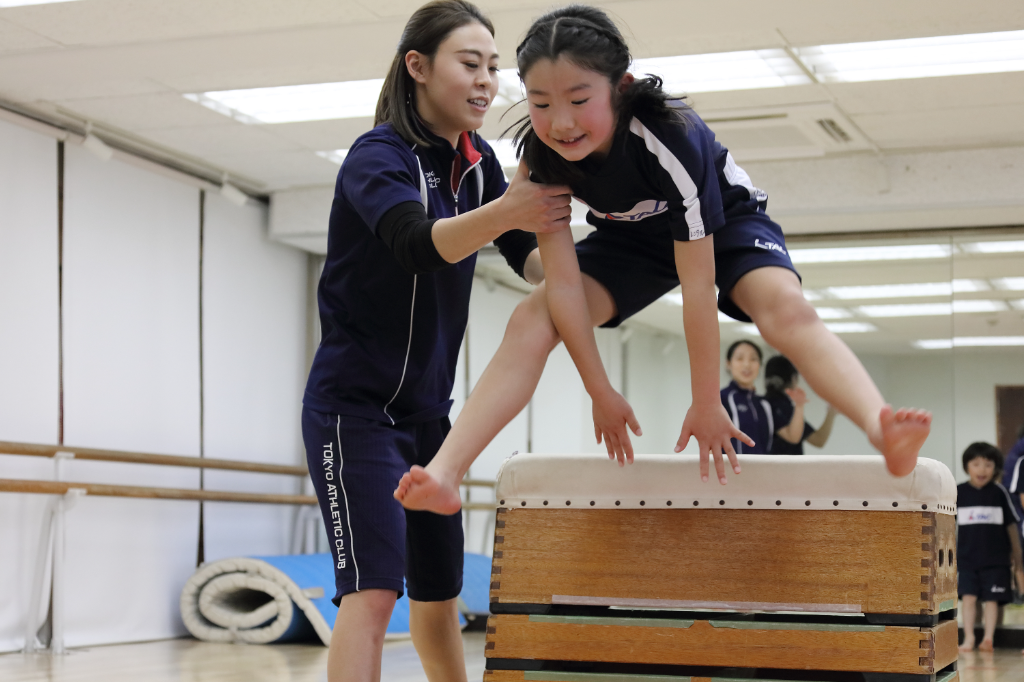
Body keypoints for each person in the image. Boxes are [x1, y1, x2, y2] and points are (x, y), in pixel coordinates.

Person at [394, 3, 932, 515]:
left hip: (725, 223)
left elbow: (697, 288)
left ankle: (879, 424)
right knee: (533, 316)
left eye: (580, 100)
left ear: (620, 89)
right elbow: (562, 288)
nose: (560, 122)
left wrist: (706, 402)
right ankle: (446, 472)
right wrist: (599, 390)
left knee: (784, 309)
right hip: (631, 237)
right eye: (540, 103)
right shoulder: (542, 159)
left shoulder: (671, 137)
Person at [300, 2, 573, 680]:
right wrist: (509, 210)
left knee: (438, 596)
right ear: (418, 68)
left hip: (428, 420)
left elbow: (525, 257)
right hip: (353, 413)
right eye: (469, 64)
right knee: (373, 590)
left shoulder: (479, 166)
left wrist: (588, 285)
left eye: (493, 68)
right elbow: (417, 246)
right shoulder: (378, 157)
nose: (486, 81)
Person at [956, 442, 1024, 652]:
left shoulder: (999, 492)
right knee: (968, 598)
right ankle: (968, 638)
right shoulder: (958, 492)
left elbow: (1012, 526)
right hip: (966, 560)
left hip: (996, 560)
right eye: (976, 464)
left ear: (995, 468)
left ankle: (988, 638)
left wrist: (1017, 555)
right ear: (967, 466)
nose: (982, 469)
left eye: (987, 465)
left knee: (992, 600)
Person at [763, 354, 837, 455]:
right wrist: (831, 412)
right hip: (786, 468)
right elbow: (817, 440)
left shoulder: (761, 405)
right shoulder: (785, 409)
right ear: (794, 378)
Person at [720, 340, 772, 455]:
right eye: (739, 358)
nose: (747, 364)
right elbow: (709, 442)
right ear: (728, 364)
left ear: (760, 365)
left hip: (761, 471)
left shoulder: (764, 404)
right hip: (730, 471)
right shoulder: (720, 399)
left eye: (753, 359)